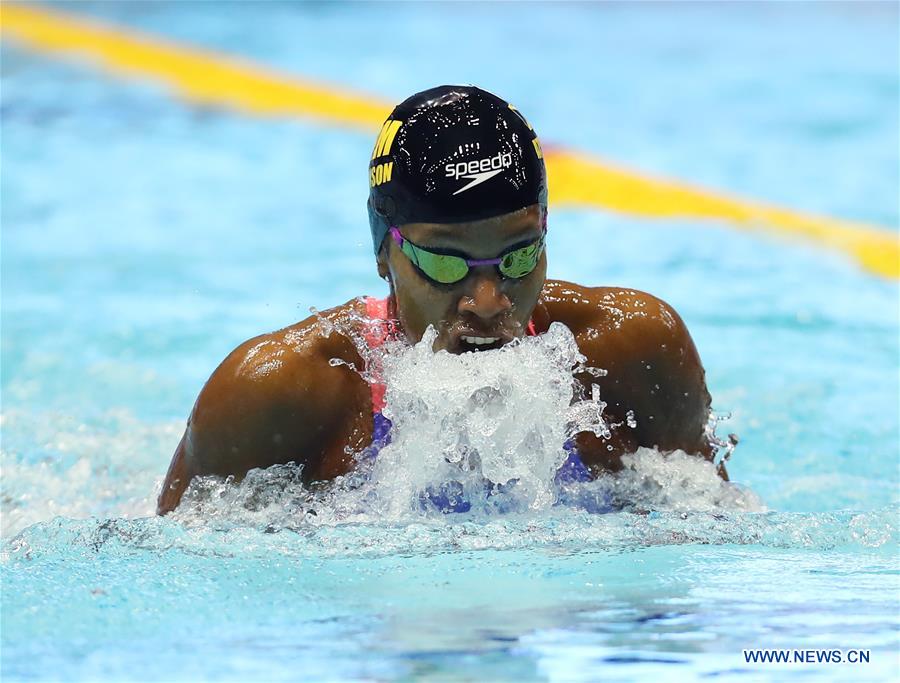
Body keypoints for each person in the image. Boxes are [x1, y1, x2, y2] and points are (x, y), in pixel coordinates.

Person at [157, 85, 725, 515]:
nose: (486, 300)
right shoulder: (279, 391)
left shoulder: (630, 349)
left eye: (519, 258)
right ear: (386, 254)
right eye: (445, 263)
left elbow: (713, 538)